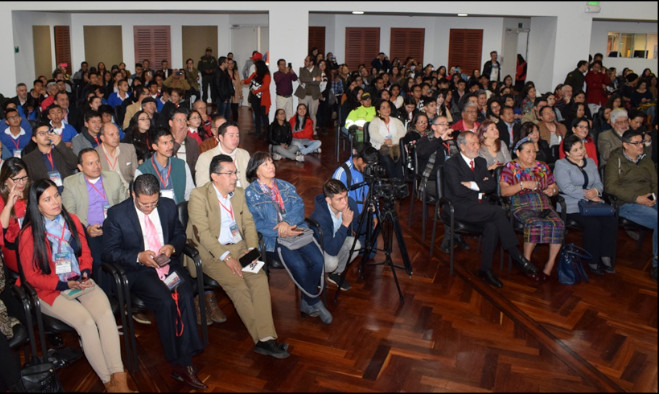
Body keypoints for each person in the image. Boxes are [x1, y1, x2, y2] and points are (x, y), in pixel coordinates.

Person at [18, 178, 133, 392]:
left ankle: (120, 379)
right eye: (48, 199)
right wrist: (62, 284)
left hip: (78, 280)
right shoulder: (29, 233)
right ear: (37, 205)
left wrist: (86, 272)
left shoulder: (70, 219)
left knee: (106, 315)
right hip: (50, 290)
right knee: (87, 323)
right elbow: (31, 277)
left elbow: (85, 252)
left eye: (57, 196)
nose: (55, 202)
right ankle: (109, 383)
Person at [102, 174, 206, 389]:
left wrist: (172, 247)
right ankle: (178, 359)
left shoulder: (167, 206)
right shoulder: (117, 214)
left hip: (167, 266)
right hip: (140, 271)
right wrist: (138, 256)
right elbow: (109, 253)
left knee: (185, 294)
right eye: (144, 204)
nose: (149, 208)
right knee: (166, 301)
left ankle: (184, 360)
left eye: (153, 203)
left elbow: (178, 234)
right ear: (133, 195)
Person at [186, 154, 289, 357]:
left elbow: (249, 224)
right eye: (230, 173)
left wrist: (251, 249)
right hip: (210, 254)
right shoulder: (198, 196)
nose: (235, 177)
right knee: (239, 286)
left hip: (240, 248)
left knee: (259, 278)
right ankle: (261, 339)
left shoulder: (239, 194)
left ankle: (267, 338)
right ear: (215, 176)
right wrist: (226, 257)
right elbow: (203, 235)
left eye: (235, 173)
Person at [443, 131, 538, 288]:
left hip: (480, 207)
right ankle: (517, 257)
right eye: (472, 144)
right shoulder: (451, 163)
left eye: (477, 143)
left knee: (493, 226)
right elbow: (458, 191)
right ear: (462, 146)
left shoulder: (480, 161)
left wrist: (472, 185)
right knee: (499, 211)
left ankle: (485, 270)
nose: (476, 147)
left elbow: (492, 186)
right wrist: (481, 186)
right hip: (459, 208)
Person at [244, 152, 330, 323]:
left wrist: (288, 223)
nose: (271, 166)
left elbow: (299, 206)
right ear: (256, 171)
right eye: (265, 164)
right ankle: (315, 302)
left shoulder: (285, 186)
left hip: (297, 230)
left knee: (319, 260)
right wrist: (280, 231)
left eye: (271, 162)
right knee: (298, 264)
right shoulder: (251, 193)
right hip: (274, 239)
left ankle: (307, 301)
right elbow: (256, 223)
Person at [61, 148, 128, 292]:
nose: (96, 166)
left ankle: (123, 293)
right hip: (89, 231)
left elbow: (124, 203)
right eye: (90, 163)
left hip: (114, 228)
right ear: (80, 167)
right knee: (98, 260)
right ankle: (106, 297)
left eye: (97, 161)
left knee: (124, 256)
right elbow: (69, 213)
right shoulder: (70, 183)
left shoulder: (113, 177)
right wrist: (86, 228)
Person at [499, 137, 565, 282]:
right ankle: (526, 261)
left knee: (558, 224)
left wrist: (552, 191)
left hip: (542, 202)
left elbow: (554, 187)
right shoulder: (510, 167)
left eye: (534, 152)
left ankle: (550, 264)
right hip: (521, 202)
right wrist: (523, 185)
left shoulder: (542, 166)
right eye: (528, 152)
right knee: (535, 223)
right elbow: (504, 192)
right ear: (518, 152)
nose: (532, 155)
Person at [554, 134, 617, 274]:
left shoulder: (590, 162)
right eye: (575, 150)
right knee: (593, 224)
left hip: (592, 202)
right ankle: (592, 260)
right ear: (567, 153)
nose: (580, 152)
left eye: (580, 148)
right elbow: (566, 187)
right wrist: (587, 194)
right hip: (571, 205)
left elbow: (599, 183)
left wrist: (595, 191)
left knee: (610, 220)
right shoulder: (561, 165)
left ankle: (606, 257)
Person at [604, 129, 657, 281]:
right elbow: (610, 187)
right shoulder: (616, 159)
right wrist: (637, 198)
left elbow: (655, 182)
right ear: (625, 145)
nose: (641, 146)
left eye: (642, 142)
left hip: (649, 198)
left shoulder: (646, 159)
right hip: (627, 202)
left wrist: (653, 197)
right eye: (636, 143)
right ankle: (656, 263)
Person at [310, 179, 361, 291]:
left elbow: (358, 228)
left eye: (345, 196)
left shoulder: (349, 204)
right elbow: (331, 250)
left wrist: (367, 215)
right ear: (328, 200)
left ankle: (335, 274)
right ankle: (317, 274)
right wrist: (345, 224)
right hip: (319, 249)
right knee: (332, 262)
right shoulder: (320, 217)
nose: (345, 202)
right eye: (339, 199)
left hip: (334, 243)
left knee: (356, 245)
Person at [135, 128, 194, 205]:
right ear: (155, 146)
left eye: (171, 141)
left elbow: (190, 193)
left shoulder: (182, 165)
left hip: (178, 211)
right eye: (165, 143)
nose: (170, 146)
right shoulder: (142, 170)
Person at [22, 122, 78, 193]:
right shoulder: (28, 159)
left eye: (48, 132)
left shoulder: (61, 150)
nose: (46, 135)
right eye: (42, 133)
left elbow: (74, 164)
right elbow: (30, 183)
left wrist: (60, 144)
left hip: (68, 191)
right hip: (45, 194)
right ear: (34, 139)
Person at [195, 120, 250, 188]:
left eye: (237, 135)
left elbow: (250, 181)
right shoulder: (206, 158)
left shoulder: (244, 154)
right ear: (221, 137)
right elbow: (202, 186)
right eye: (231, 135)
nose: (235, 139)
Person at [0, 158, 30, 274]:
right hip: (15, 247)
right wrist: (9, 205)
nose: (21, 183)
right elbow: (1, 229)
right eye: (16, 179)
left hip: (36, 240)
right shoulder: (2, 198)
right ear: (5, 180)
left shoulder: (30, 189)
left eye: (24, 177)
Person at [368, 99, 406, 179]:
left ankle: (400, 182)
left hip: (395, 146)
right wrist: (384, 141)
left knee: (399, 157)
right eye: (383, 108)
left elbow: (402, 133)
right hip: (380, 147)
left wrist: (393, 141)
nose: (387, 109)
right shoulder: (375, 122)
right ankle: (394, 181)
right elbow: (373, 134)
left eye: (388, 107)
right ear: (378, 110)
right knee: (386, 158)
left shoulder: (396, 121)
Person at [97, 122, 138, 190]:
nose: (116, 137)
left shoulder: (129, 149)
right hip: (108, 193)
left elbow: (136, 174)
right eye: (111, 134)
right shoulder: (96, 154)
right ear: (102, 138)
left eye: (117, 134)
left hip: (128, 191)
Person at [242, 59, 271, 137]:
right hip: (255, 99)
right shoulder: (254, 74)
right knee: (257, 115)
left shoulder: (266, 76)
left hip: (263, 99)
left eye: (256, 67)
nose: (255, 69)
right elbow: (248, 81)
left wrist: (256, 91)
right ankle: (257, 132)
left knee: (264, 117)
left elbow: (265, 86)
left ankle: (267, 134)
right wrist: (243, 81)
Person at [294, 56, 322, 133]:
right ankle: (300, 129)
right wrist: (314, 78)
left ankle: (313, 130)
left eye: (306, 61)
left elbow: (318, 82)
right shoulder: (302, 69)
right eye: (305, 60)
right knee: (301, 113)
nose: (305, 62)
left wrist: (309, 80)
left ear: (311, 62)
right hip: (303, 94)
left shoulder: (318, 70)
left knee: (313, 114)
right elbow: (302, 79)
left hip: (314, 95)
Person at [212, 56, 234, 121]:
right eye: (227, 62)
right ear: (223, 63)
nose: (228, 64)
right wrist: (223, 98)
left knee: (227, 114)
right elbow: (218, 86)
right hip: (221, 97)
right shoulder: (218, 72)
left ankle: (226, 128)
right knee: (221, 115)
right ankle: (221, 129)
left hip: (226, 96)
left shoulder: (224, 72)